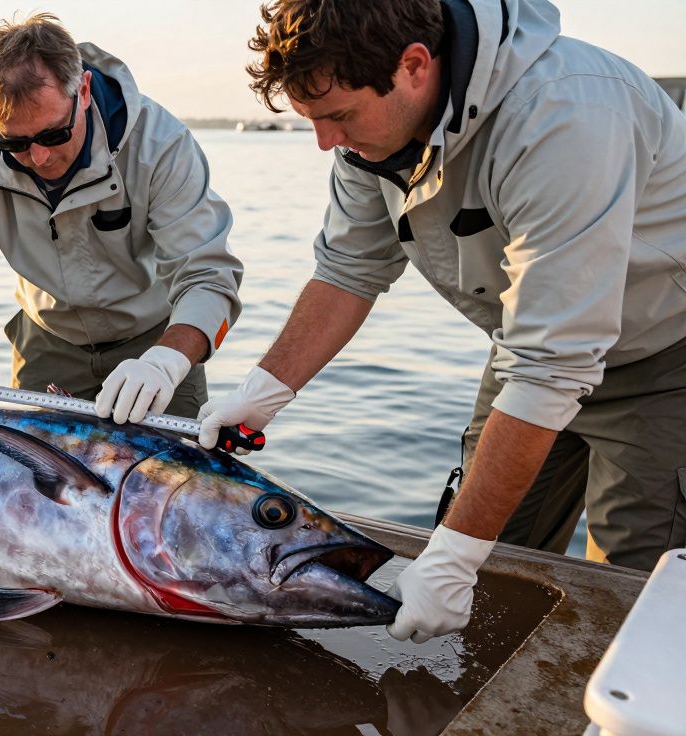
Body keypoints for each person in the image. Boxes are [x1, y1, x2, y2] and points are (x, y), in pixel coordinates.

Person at [199, 0, 686, 643]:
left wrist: (455, 554)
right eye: (314, 120)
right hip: (530, 345)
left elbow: (553, 366)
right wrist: (264, 391)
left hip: (663, 353)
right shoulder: (369, 135)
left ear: (415, 65)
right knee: (492, 556)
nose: (325, 141)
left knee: (633, 593)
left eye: (339, 116)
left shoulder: (566, 117)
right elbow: (349, 270)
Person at [0, 14, 243, 422]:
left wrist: (165, 362)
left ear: (85, 91)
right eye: (15, 143)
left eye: (54, 135)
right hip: (46, 342)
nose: (40, 157)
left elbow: (208, 277)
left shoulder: (161, 145)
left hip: (153, 342)